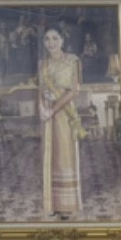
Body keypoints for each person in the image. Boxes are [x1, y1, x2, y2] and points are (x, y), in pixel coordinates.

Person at [39, 25, 85, 220]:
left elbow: (74, 90)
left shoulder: (73, 60)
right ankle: (52, 204)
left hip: (65, 114)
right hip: (48, 117)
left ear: (62, 40)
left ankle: (67, 206)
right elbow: (40, 89)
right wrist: (42, 108)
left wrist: (53, 109)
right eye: (47, 39)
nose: (51, 43)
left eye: (55, 38)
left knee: (65, 156)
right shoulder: (43, 64)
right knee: (50, 157)